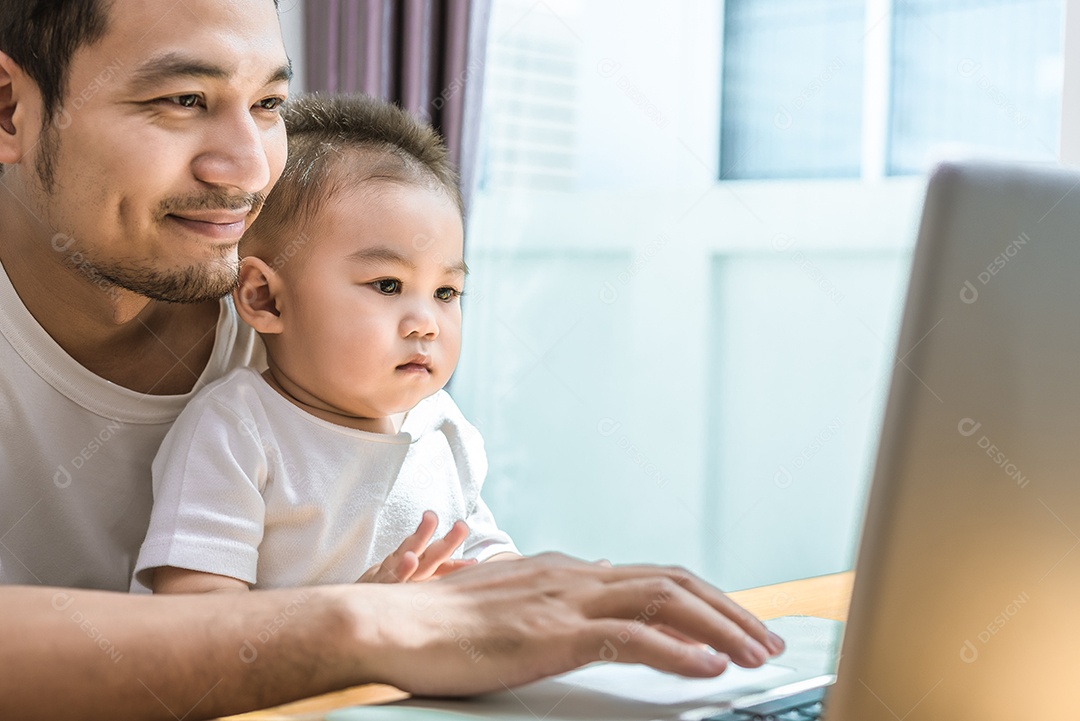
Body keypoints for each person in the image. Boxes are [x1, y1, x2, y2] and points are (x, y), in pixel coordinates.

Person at [0, 1, 784, 719]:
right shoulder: (252, 391)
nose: (250, 170)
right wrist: (366, 623)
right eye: (182, 99)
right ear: (10, 109)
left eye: (269, 104)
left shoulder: (324, 326)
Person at [133, 94, 519, 594]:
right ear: (266, 298)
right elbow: (196, 609)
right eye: (388, 285)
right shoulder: (237, 430)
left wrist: (540, 584)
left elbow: (482, 550)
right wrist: (355, 614)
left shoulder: (444, 427)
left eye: (446, 292)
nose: (426, 324)